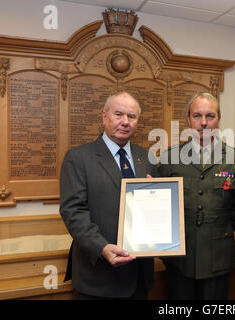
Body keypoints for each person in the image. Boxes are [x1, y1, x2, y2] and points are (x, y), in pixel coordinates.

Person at [59, 92, 158, 299]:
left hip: (139, 277)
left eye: (132, 116)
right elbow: (73, 212)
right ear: (104, 116)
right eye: (118, 114)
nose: (125, 122)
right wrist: (101, 247)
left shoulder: (145, 157)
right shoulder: (79, 158)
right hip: (97, 279)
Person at [159, 92, 235, 300]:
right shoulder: (169, 158)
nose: (203, 123)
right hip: (179, 257)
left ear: (219, 119)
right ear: (188, 120)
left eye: (210, 116)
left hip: (218, 254)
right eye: (197, 116)